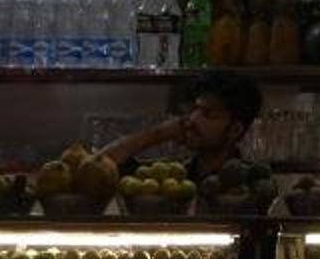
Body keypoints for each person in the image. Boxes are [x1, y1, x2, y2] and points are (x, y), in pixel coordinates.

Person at [104, 69, 260, 178]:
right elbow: (100, 166)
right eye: (195, 109)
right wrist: (159, 134)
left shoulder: (253, 182)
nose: (193, 119)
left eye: (209, 114)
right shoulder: (175, 175)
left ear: (235, 130)